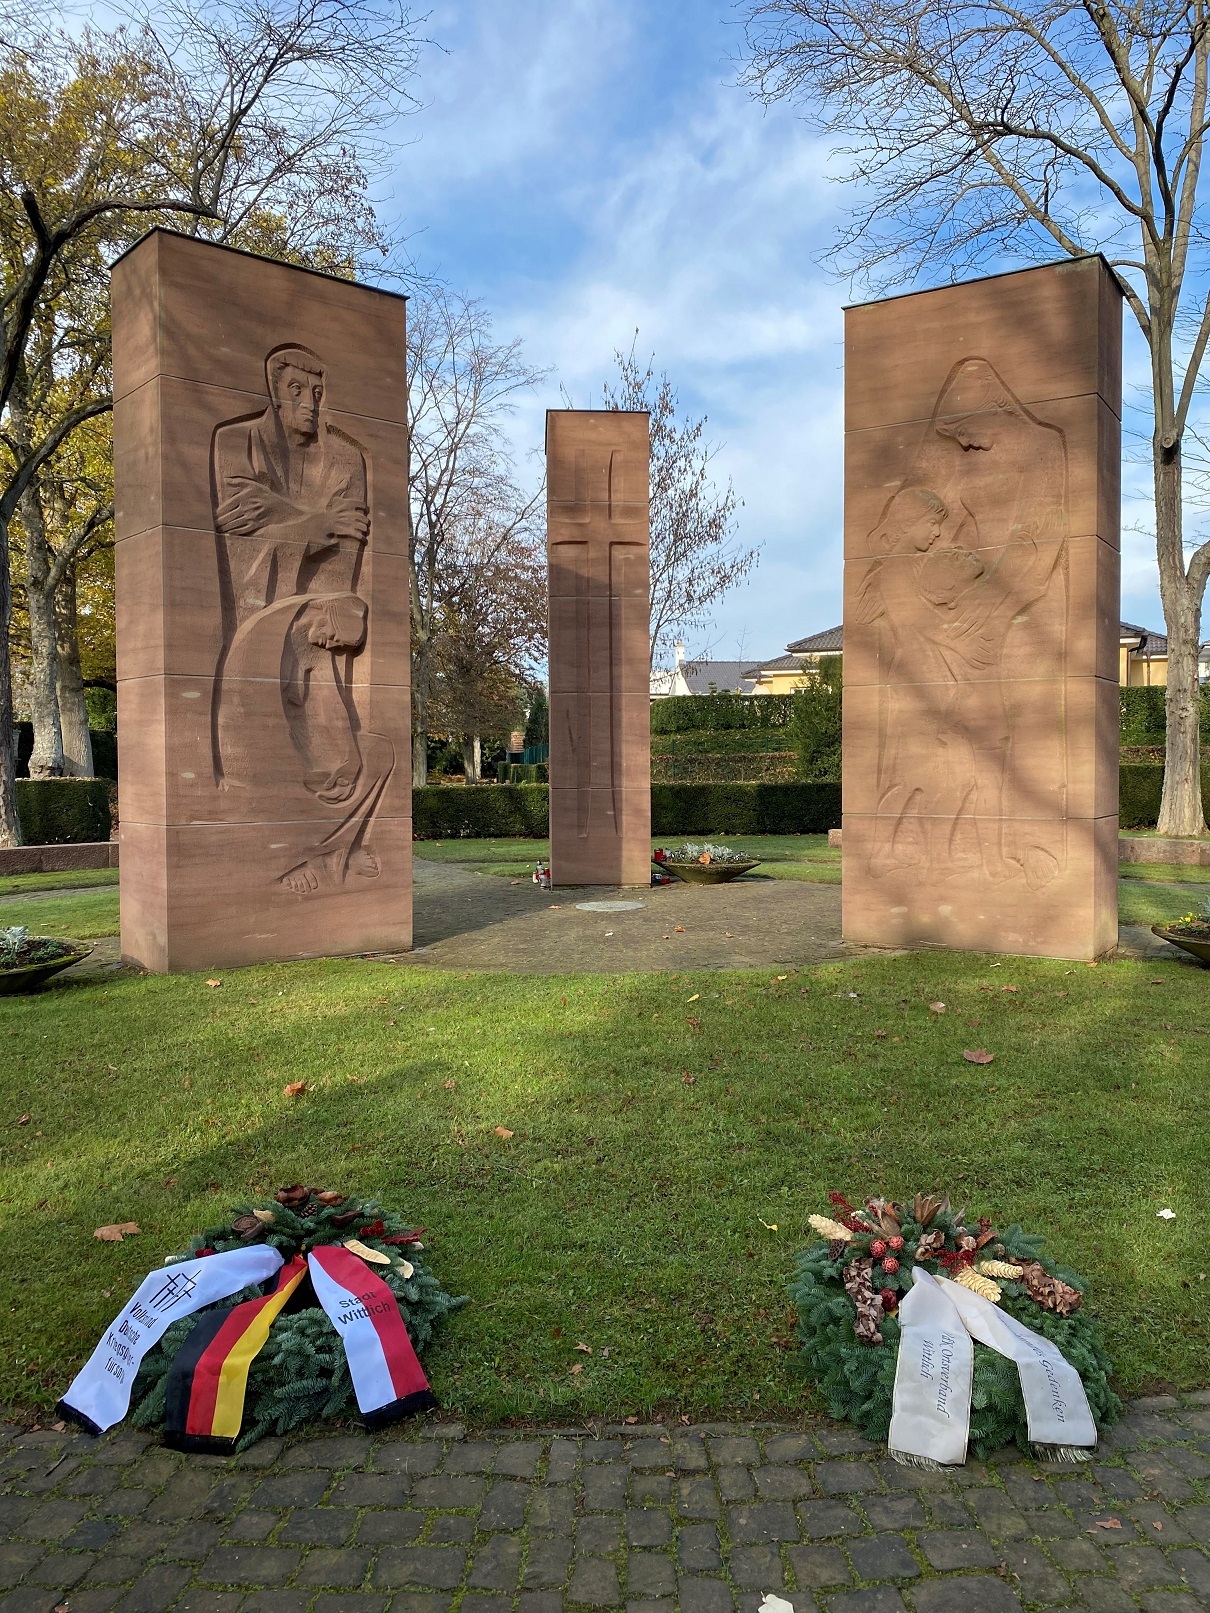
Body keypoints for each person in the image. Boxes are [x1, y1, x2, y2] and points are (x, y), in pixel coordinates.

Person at [211, 345, 394, 895]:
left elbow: (352, 536)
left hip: (321, 627)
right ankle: (289, 856)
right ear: (273, 388)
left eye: (315, 393)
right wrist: (315, 523)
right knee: (271, 749)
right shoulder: (234, 441)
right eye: (295, 391)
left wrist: (288, 520)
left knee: (354, 754)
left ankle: (337, 848)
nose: (309, 403)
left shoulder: (345, 457)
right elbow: (240, 514)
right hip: (261, 624)